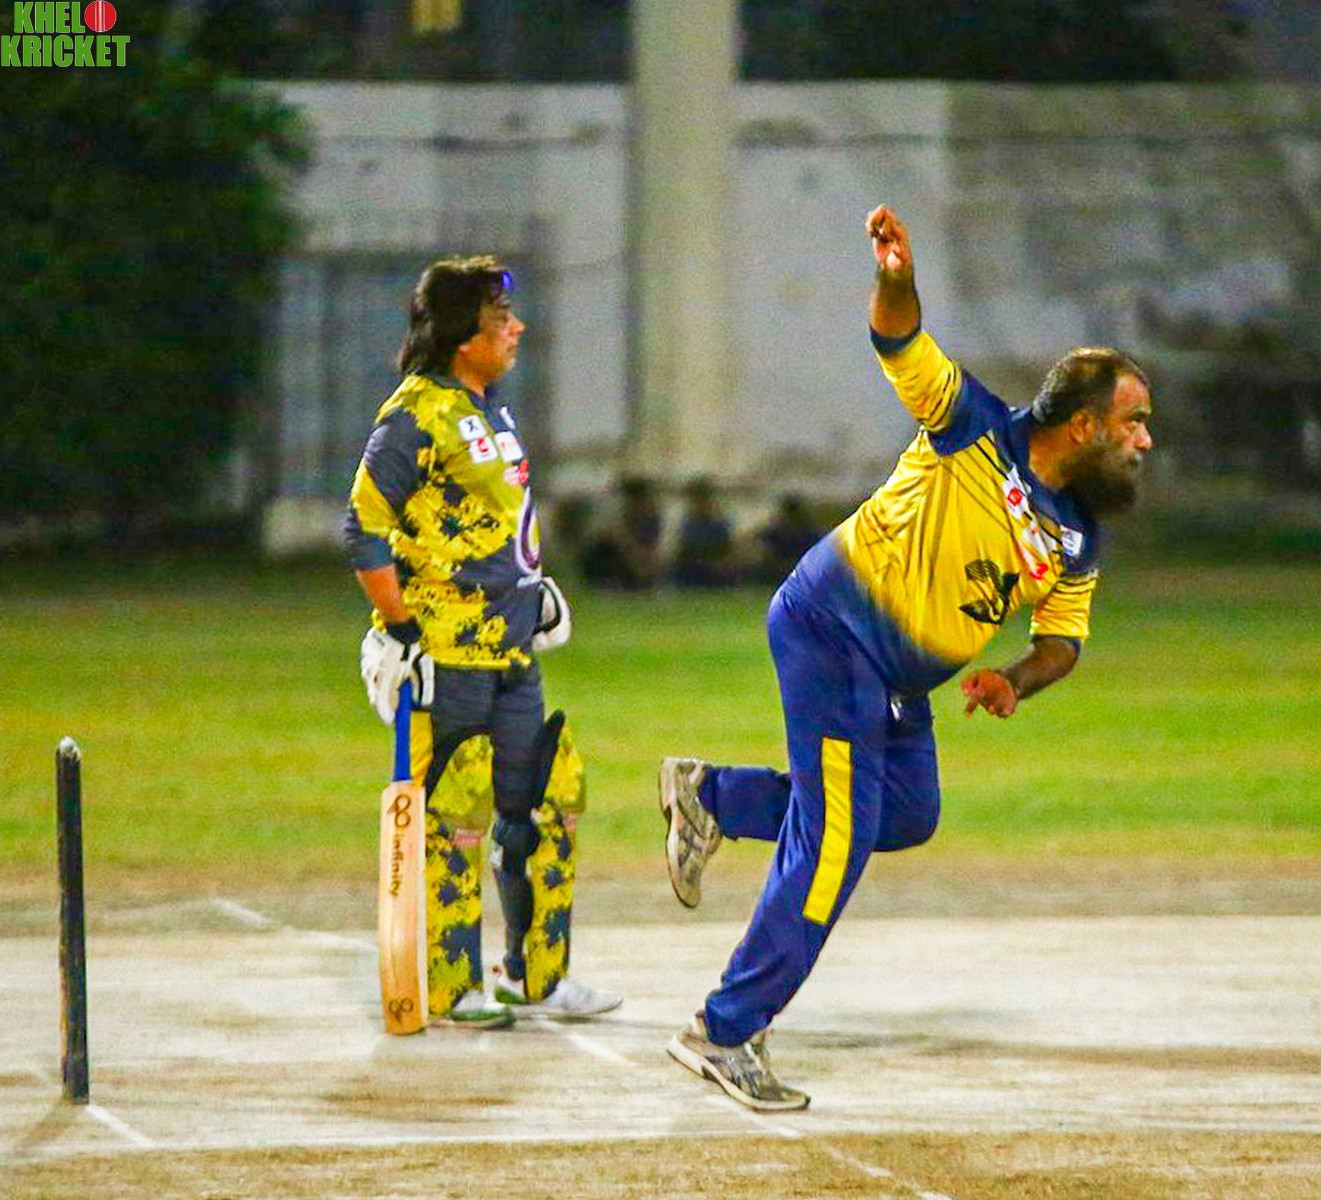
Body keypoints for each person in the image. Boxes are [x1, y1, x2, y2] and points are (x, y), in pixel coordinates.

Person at [659, 206, 1153, 1109]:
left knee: (906, 814)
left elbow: (1061, 641)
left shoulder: (1078, 535)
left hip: (895, 679)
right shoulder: (972, 425)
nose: (1144, 441)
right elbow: (899, 340)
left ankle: (712, 797)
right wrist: (895, 277)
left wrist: (1014, 679)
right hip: (832, 628)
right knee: (835, 839)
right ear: (1084, 426)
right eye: (1133, 422)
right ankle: (723, 1030)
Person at [345, 255, 621, 1027]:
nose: (517, 330)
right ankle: (449, 985)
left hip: (510, 653)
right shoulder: (415, 414)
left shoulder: (489, 410)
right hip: (448, 656)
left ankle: (536, 977)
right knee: (454, 811)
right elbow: (363, 526)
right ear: (465, 335)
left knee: (545, 803)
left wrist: (534, 590)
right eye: (502, 320)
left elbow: (494, 526)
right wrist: (398, 629)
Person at [579, 475, 665, 590]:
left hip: (634, 559)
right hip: (612, 559)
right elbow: (613, 539)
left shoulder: (650, 519)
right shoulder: (617, 515)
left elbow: (649, 548)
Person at [671, 476, 737, 588]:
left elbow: (727, 551)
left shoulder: (718, 524)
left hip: (714, 570)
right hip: (691, 569)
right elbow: (681, 550)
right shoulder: (687, 524)